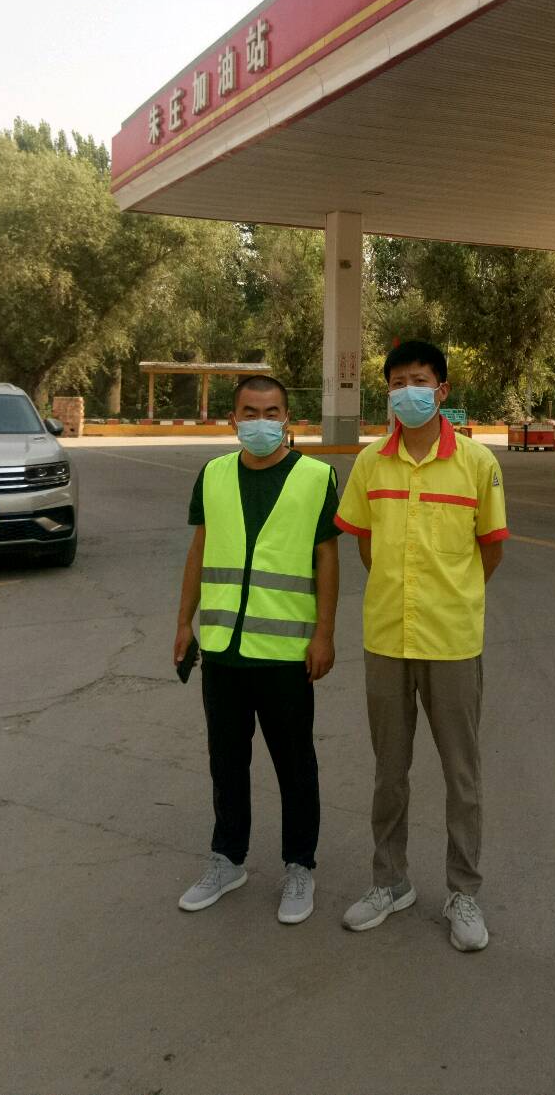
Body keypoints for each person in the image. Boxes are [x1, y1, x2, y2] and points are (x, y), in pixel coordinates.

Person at [335, 341, 508, 951]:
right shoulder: (369, 464)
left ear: (442, 391)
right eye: (398, 382)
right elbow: (365, 545)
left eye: (419, 380)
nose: (408, 391)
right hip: (387, 635)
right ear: (387, 392)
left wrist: (451, 595)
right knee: (389, 770)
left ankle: (463, 891)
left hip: (452, 639)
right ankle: (390, 881)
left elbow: (490, 548)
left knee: (462, 774)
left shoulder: (477, 464)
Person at [173, 374, 340, 924]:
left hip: (286, 653)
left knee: (295, 765)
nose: (261, 422)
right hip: (223, 650)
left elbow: (327, 558)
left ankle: (300, 866)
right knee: (226, 761)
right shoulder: (214, 474)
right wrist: (183, 622)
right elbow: (199, 549)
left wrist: (324, 633)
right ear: (233, 419)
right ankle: (227, 859)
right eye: (250, 412)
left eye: (271, 413)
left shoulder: (315, 476)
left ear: (287, 419)